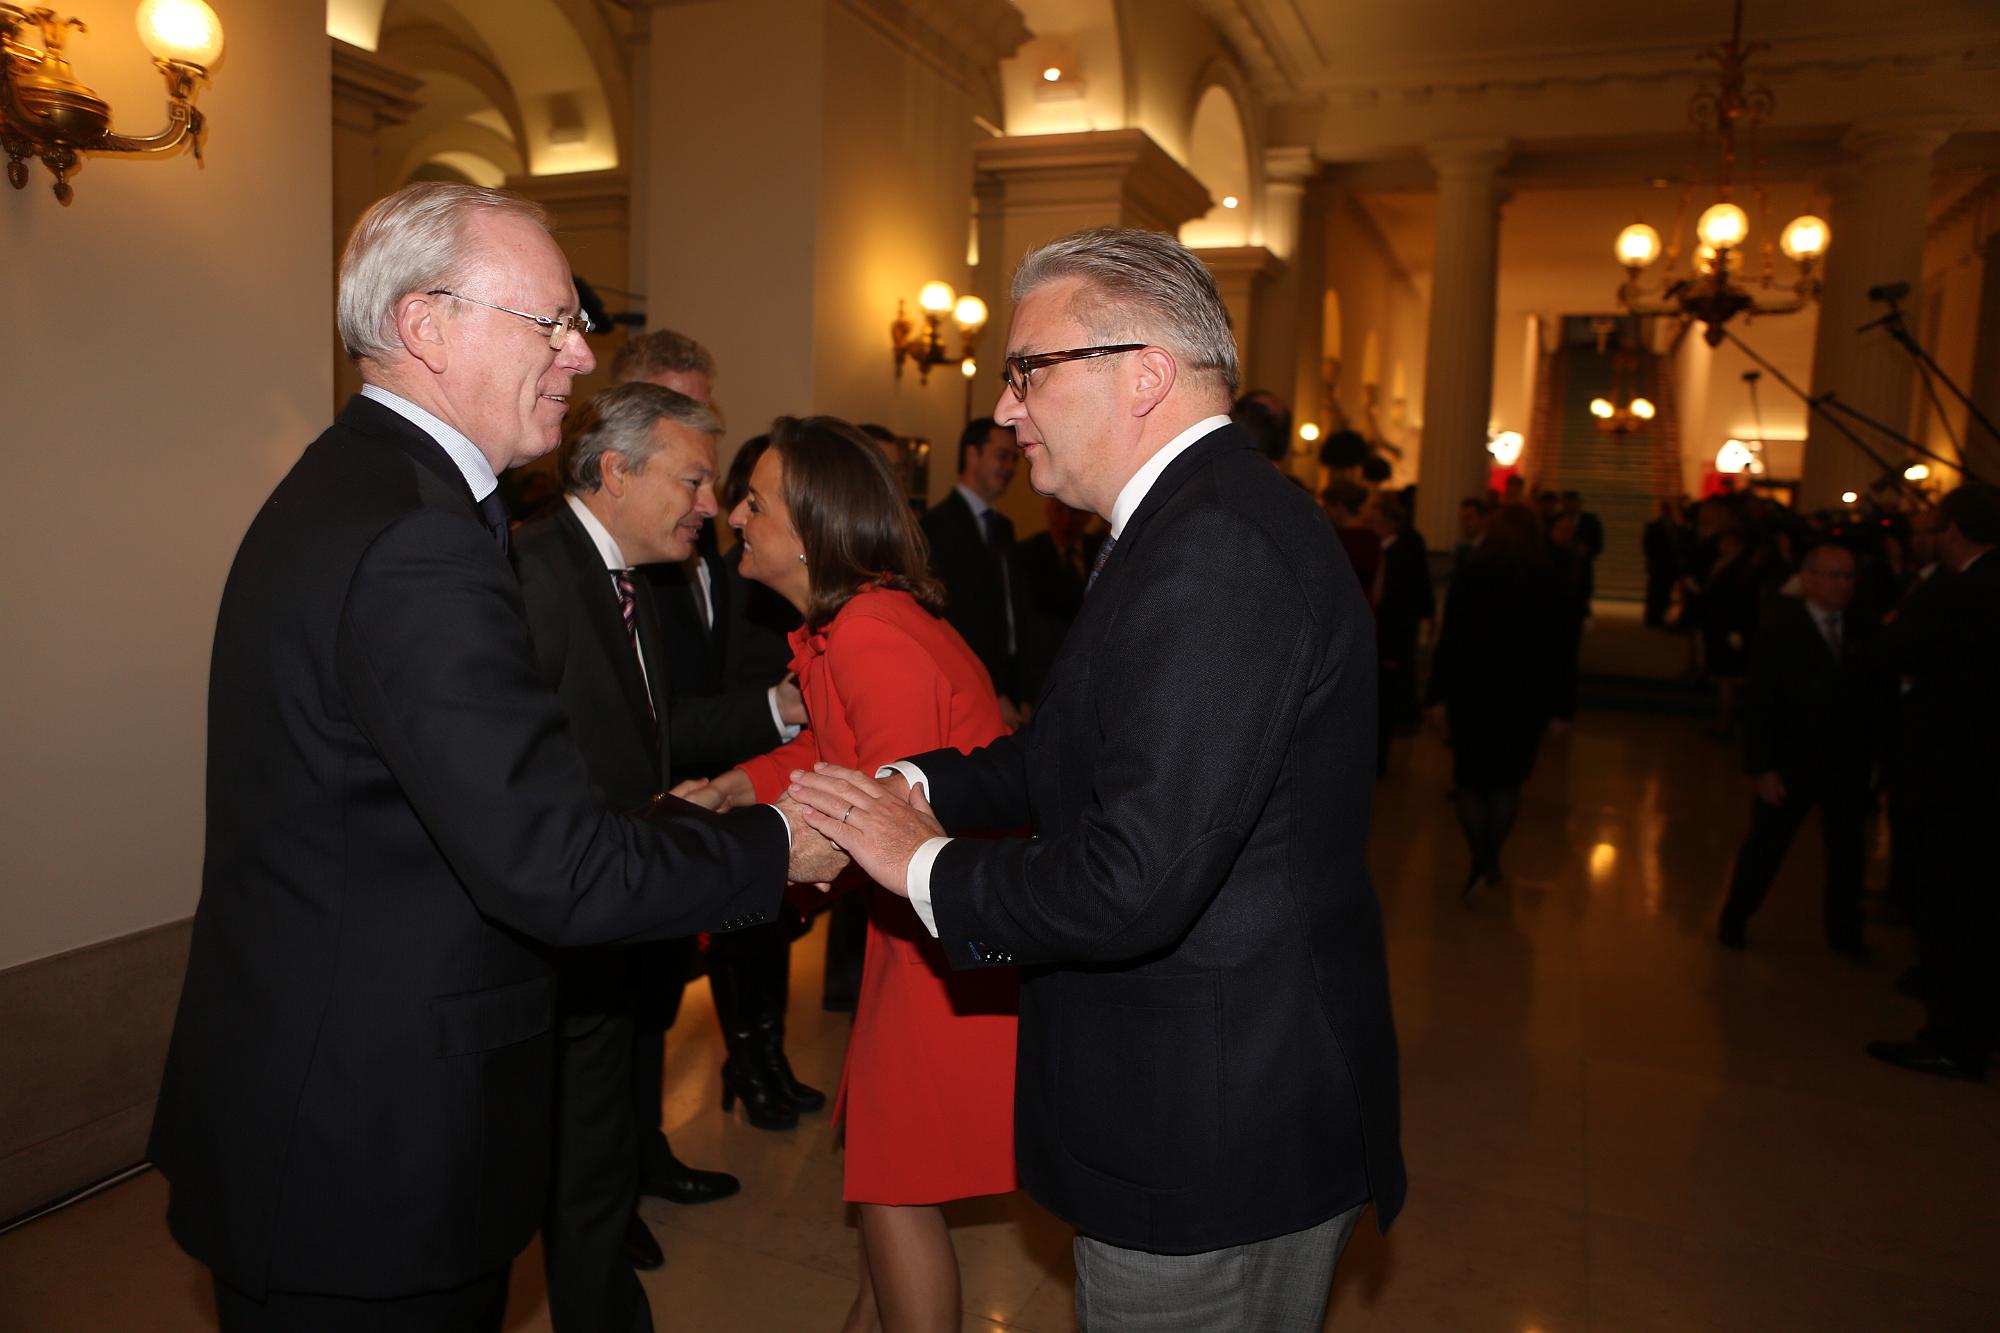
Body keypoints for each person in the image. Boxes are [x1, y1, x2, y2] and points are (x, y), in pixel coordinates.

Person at [147, 182, 845, 1331]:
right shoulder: (416, 535)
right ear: (426, 325)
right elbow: (553, 865)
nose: (579, 356)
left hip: (332, 1110)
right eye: (552, 323)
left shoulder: (363, 488)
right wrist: (777, 839)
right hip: (366, 1147)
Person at [788, 226, 1404, 1331]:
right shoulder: (1176, 524)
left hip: (1214, 1120)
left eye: (1027, 372)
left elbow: (1133, 877)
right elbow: (1055, 753)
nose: (1008, 410)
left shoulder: (1217, 546)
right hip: (1198, 1088)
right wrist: (902, 787)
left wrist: (915, 863)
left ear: (1144, 374)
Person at [698, 417, 1019, 1333]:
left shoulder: (872, 633)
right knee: (890, 1179)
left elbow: (886, 824)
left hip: (941, 946)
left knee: (894, 1185)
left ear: (809, 528)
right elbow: (825, 752)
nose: (735, 515)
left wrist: (736, 865)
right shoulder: (854, 623)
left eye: (755, 502)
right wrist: (732, 786)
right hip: (921, 939)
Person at [510, 382, 735, 1321]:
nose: (710, 506)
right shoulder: (532, 573)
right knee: (557, 1172)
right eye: (693, 480)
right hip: (545, 948)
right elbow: (522, 781)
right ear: (616, 471)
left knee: (593, 1168)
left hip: (603, 937)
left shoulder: (627, 580)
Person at [614, 333, 824, 1149]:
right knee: (634, 1003)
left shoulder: (704, 529)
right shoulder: (618, 556)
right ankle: (634, 1162)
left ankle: (737, 1074)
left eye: (705, 411)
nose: (699, 433)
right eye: (676, 412)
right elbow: (657, 711)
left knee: (731, 947)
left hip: (727, 777)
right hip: (655, 798)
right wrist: (773, 712)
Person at [1868, 483, 2000, 1082]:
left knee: (1951, 907)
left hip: (1959, 776)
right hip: (1977, 774)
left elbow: (1901, 649)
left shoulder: (1966, 592)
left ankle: (1952, 1038)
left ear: (1951, 532)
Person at [1715, 543, 1883, 958]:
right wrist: (1763, 767)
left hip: (1847, 765)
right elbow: (1759, 702)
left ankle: (1845, 935)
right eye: (1832, 575)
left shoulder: (1863, 626)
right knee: (1766, 847)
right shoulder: (1780, 627)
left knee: (1847, 855)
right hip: (1791, 763)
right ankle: (1734, 919)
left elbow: (1874, 697)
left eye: (1848, 576)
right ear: (1808, 579)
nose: (1842, 585)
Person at [1426, 503, 1565, 898]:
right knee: (1507, 782)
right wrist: (1560, 707)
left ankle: (1481, 861)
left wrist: (1437, 694)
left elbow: (1450, 638)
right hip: (1525, 696)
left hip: (1474, 690)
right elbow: (1562, 651)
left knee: (1470, 779)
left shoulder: (1474, 572)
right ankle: (1490, 861)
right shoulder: (1548, 578)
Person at [922, 417, 1026, 723]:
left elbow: (1011, 614)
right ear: (972, 455)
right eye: (1001, 455)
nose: (1009, 468)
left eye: (1015, 459)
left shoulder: (1004, 527)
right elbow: (948, 619)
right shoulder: (937, 525)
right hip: (970, 686)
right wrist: (992, 689)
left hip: (1011, 685)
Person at [1368, 493, 1434, 776]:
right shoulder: (1370, 549)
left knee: (1387, 700)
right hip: (1372, 637)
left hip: (1392, 638)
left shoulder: (1407, 550)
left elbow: (1412, 596)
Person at [1012, 495, 1101, 703]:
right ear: (1049, 511)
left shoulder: (1101, 552)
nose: (1066, 521)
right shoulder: (1026, 555)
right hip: (1043, 680)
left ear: (1088, 516)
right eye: (1059, 511)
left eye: (1075, 513)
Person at [1642, 497, 1682, 628]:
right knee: (1656, 592)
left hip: (1668, 566)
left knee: (1664, 592)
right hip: (1658, 565)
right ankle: (1653, 618)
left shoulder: (1675, 527)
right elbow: (1648, 546)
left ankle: (1658, 617)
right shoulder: (1654, 527)